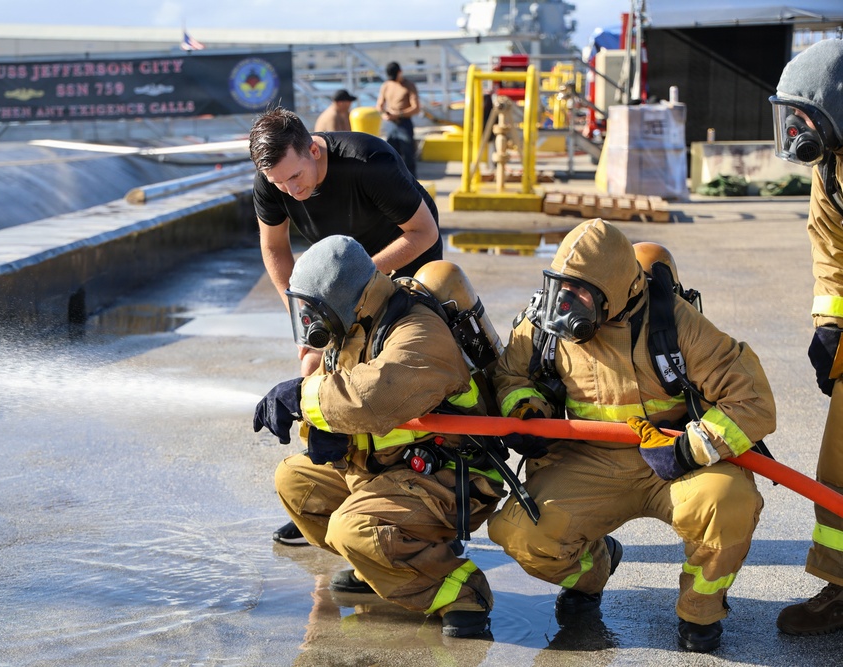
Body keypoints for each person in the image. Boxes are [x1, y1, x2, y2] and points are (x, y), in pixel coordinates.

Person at [486, 218, 776, 653]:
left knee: (730, 505)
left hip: (676, 463)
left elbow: (752, 401)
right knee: (523, 534)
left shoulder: (678, 324)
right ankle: (594, 570)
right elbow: (510, 374)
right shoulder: (544, 322)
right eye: (561, 287)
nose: (566, 303)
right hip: (590, 464)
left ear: (617, 291)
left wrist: (689, 449)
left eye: (581, 291)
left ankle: (700, 612)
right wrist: (526, 410)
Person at [252, 235, 506, 638]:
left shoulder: (418, 331)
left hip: (450, 479)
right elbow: (335, 388)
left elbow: (372, 396)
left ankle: (458, 590)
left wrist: (300, 398)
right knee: (295, 483)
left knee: (352, 529)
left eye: (312, 309)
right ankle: (381, 565)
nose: (308, 321)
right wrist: (323, 429)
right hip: (390, 471)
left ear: (340, 297)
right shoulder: (354, 324)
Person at [250, 107, 444, 547]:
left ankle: (425, 496)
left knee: (386, 376)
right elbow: (275, 248)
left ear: (314, 150)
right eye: (280, 184)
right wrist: (304, 316)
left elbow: (423, 232)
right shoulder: (273, 177)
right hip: (335, 278)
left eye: (296, 177)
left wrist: (352, 285)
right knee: (316, 369)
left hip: (403, 260)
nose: (290, 191)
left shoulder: (368, 163)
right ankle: (329, 489)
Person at [769, 38, 843, 636]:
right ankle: (841, 584)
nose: (797, 128)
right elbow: (831, 254)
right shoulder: (831, 169)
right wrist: (830, 324)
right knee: (838, 465)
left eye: (806, 114)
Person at [376, 61, 421, 177]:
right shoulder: (386, 85)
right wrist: (383, 114)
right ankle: (393, 181)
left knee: (408, 154)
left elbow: (416, 108)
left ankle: (412, 181)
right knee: (390, 153)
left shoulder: (409, 85)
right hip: (390, 123)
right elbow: (379, 104)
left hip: (404, 123)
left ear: (400, 72)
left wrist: (399, 114)